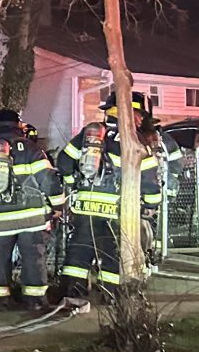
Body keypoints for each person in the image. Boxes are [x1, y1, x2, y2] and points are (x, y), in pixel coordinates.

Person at [56, 93, 162, 306]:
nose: (141, 120)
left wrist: (73, 184)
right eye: (139, 115)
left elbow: (64, 160)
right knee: (111, 252)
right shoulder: (135, 140)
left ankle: (73, 293)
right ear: (134, 114)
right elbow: (149, 178)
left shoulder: (90, 135)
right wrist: (151, 203)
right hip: (116, 208)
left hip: (86, 205)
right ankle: (109, 295)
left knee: (80, 247)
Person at [0, 109, 63, 311]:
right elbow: (48, 180)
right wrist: (58, 206)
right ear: (18, 127)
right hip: (32, 219)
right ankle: (35, 301)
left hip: (0, 219)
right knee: (33, 258)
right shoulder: (31, 149)